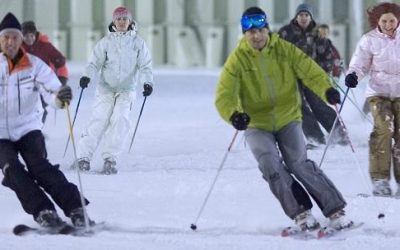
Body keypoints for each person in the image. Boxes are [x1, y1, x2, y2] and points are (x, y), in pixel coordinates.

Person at [215, 6, 353, 231]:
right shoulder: (237, 60)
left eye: (260, 30)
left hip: (288, 116)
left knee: (299, 164)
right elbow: (224, 95)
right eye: (251, 32)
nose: (256, 36)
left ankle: (335, 210)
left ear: (267, 30)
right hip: (256, 123)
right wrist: (234, 115)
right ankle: (301, 213)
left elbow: (309, 70)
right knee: (270, 164)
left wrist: (326, 89)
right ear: (245, 34)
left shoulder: (284, 49)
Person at [0, 12, 91, 228]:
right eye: (6, 37)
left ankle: (76, 208)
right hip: (0, 134)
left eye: (15, 37)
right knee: (12, 170)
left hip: (28, 127)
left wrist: (60, 98)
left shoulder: (34, 65)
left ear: (21, 39)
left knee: (40, 166)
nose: (10, 42)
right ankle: (44, 211)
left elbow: (51, 90)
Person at [76, 6, 153, 175]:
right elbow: (94, 62)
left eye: (125, 19)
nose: (122, 22)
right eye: (118, 19)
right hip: (106, 88)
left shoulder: (138, 43)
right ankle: (83, 157)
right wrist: (87, 76)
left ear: (130, 21)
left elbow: (145, 66)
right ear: (113, 21)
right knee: (99, 119)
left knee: (121, 120)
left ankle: (110, 158)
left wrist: (147, 83)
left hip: (127, 90)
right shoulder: (106, 42)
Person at [345, 2, 400, 198]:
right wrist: (353, 75)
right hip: (379, 92)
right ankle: (380, 179)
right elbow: (359, 63)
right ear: (377, 21)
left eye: (392, 20)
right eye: (384, 21)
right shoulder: (369, 40)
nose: (388, 24)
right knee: (384, 129)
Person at [278, 3, 347, 148]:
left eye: (306, 15)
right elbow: (276, 54)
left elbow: (327, 54)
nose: (303, 18)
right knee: (298, 105)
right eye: (301, 15)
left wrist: (323, 70)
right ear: (296, 17)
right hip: (291, 75)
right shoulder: (285, 33)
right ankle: (315, 137)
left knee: (317, 103)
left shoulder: (318, 33)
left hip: (311, 75)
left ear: (311, 17)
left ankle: (339, 133)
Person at [21, 21, 69, 124]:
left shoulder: (45, 46)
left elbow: (60, 62)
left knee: (38, 108)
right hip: (23, 84)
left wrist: (61, 81)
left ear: (35, 34)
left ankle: (36, 130)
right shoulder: (17, 47)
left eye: (32, 35)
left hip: (43, 84)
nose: (29, 39)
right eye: (26, 36)